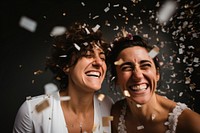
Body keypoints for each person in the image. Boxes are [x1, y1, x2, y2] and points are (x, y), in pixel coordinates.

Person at [13, 22, 113, 133]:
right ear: (66, 65)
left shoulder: (108, 106)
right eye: (88, 55)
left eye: (103, 58)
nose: (99, 62)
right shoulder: (32, 111)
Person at [108, 29, 200, 133]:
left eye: (145, 65)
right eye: (126, 68)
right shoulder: (114, 114)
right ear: (116, 79)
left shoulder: (190, 122)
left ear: (157, 74)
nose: (137, 76)